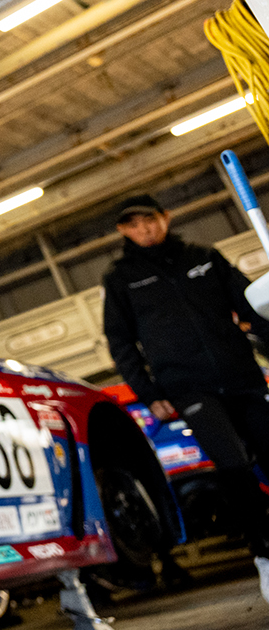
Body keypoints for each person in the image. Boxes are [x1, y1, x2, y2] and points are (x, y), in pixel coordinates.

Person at [101, 192, 269, 600]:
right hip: (187, 388)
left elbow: (250, 306)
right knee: (233, 464)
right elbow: (121, 343)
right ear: (124, 230)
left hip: (242, 377)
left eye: (150, 220)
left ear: (166, 217)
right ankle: (265, 552)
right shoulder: (121, 278)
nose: (144, 229)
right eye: (134, 224)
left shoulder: (204, 256)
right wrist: (148, 393)